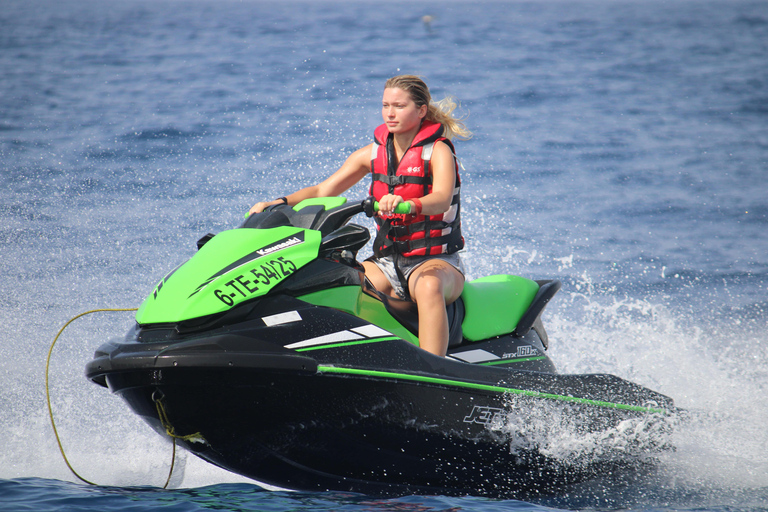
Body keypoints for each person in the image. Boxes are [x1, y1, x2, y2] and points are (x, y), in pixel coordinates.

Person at [249, 75, 471, 357]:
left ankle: (436, 369)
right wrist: (278, 201)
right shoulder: (372, 154)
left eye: (399, 106)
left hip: (436, 262)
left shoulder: (438, 152)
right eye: (385, 105)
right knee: (338, 282)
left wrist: (408, 203)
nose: (390, 113)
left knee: (428, 287)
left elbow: (440, 198)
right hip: (387, 264)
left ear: (421, 110)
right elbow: (323, 190)